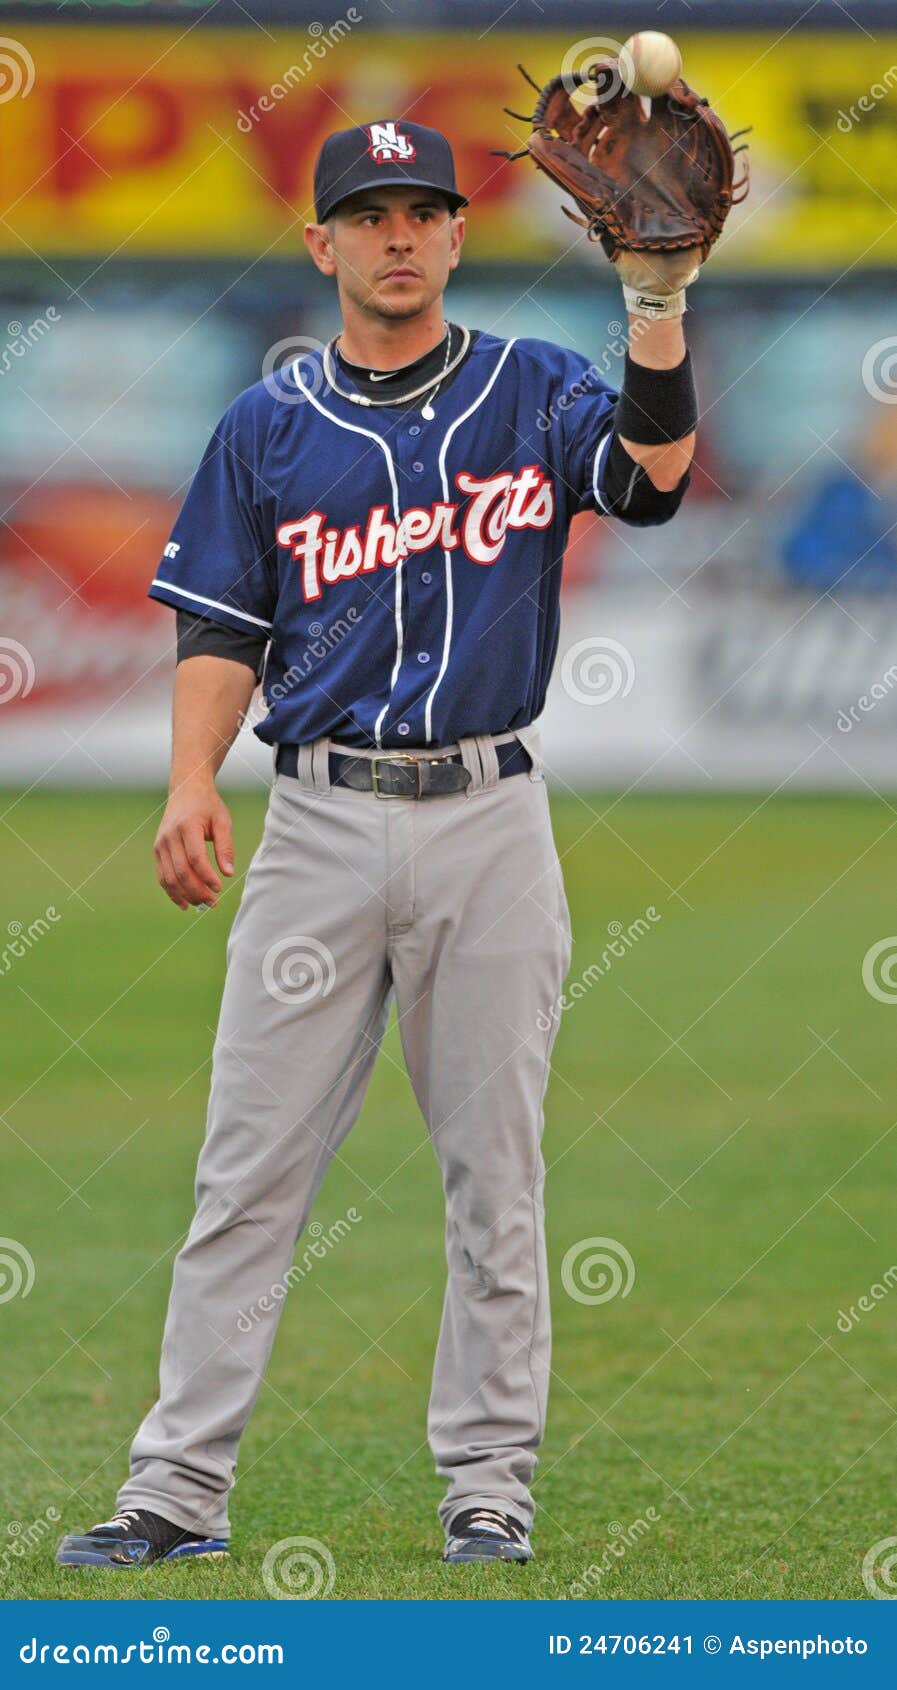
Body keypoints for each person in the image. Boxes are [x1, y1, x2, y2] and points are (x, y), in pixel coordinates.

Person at [57, 119, 696, 1571]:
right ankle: (176, 1490)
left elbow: (649, 478)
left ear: (458, 238)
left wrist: (655, 312)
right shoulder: (268, 425)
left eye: (423, 211)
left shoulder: (531, 389)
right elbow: (223, 623)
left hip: (489, 819)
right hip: (320, 823)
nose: (398, 235)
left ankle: (488, 1483)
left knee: (495, 1172)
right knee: (245, 1174)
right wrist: (187, 781)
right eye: (370, 213)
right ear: (323, 245)